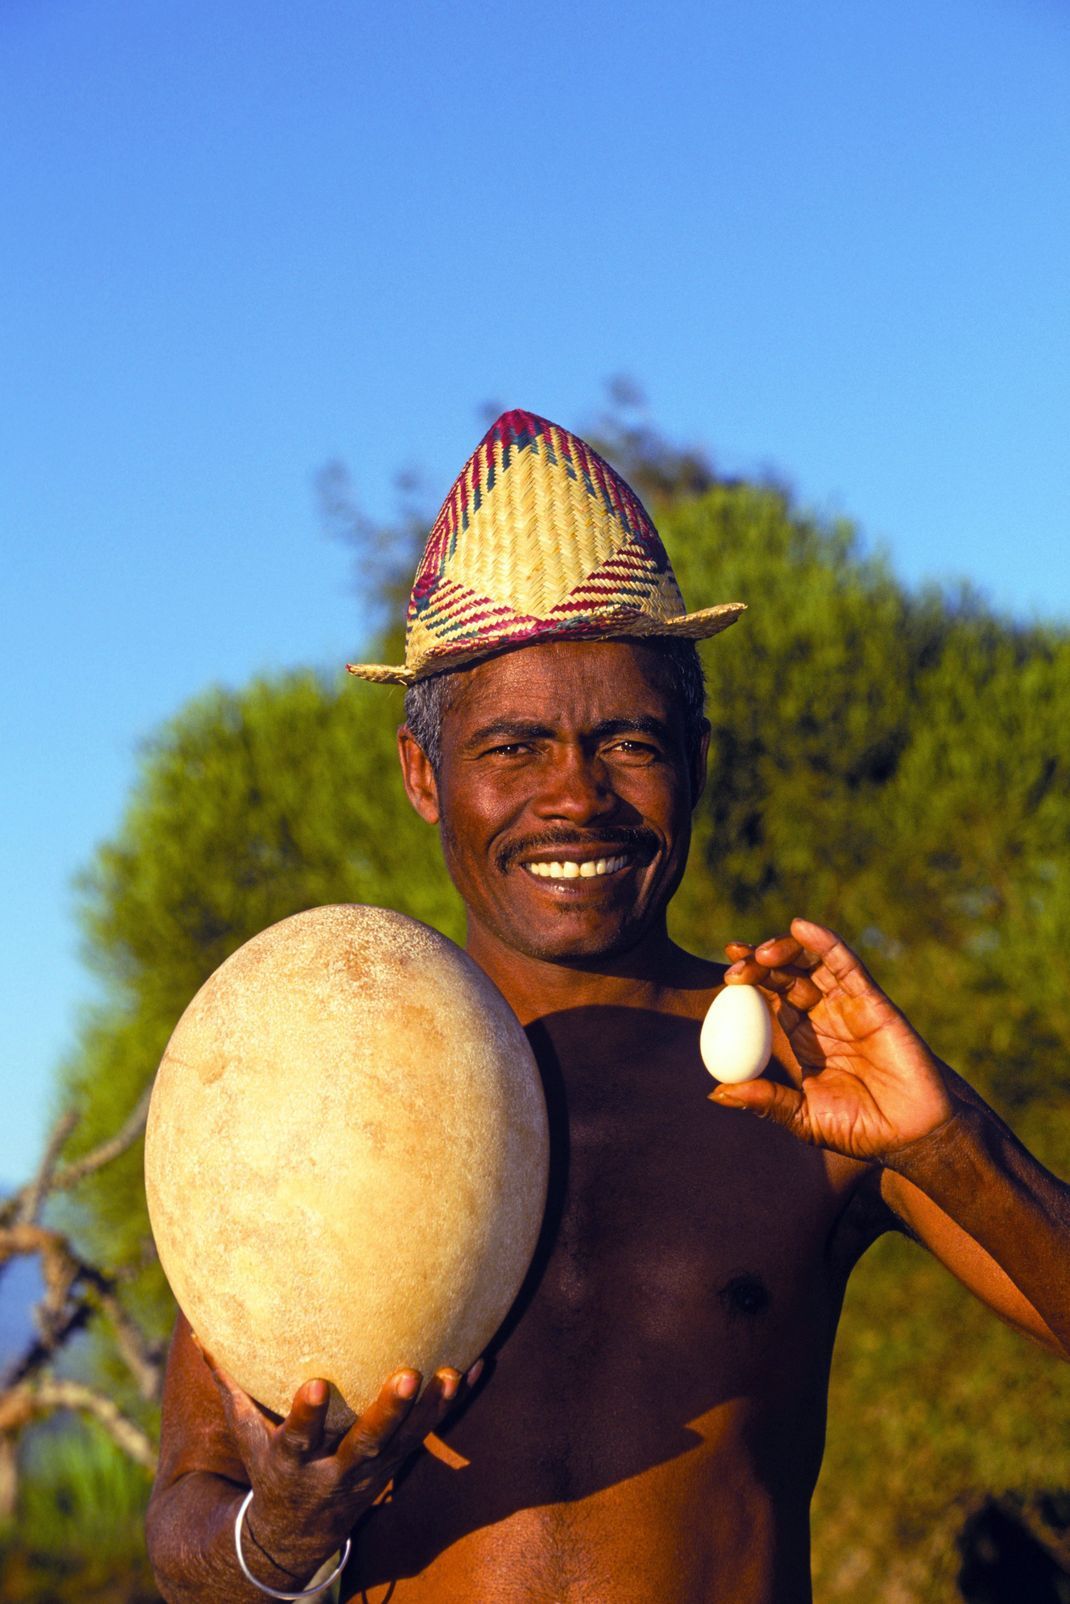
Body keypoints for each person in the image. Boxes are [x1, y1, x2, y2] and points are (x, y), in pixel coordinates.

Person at [146, 410, 1070, 1604]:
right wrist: (276, 1537)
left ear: (695, 754)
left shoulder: (802, 1076)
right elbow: (187, 1517)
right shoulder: (309, 1073)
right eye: (514, 747)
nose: (575, 798)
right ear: (423, 774)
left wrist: (949, 1141)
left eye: (627, 740)